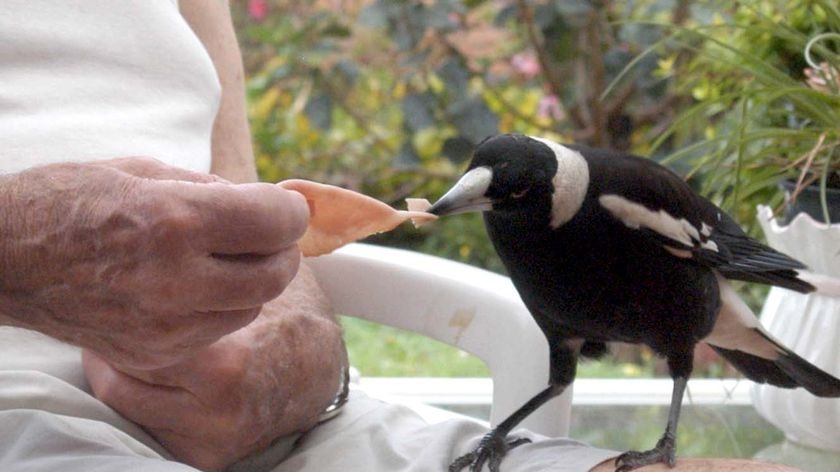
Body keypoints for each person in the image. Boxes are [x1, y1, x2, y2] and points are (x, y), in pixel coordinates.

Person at [0, 2, 800, 472]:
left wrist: (295, 331)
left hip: (288, 428)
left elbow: (228, 170)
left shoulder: (625, 202)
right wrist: (17, 254)